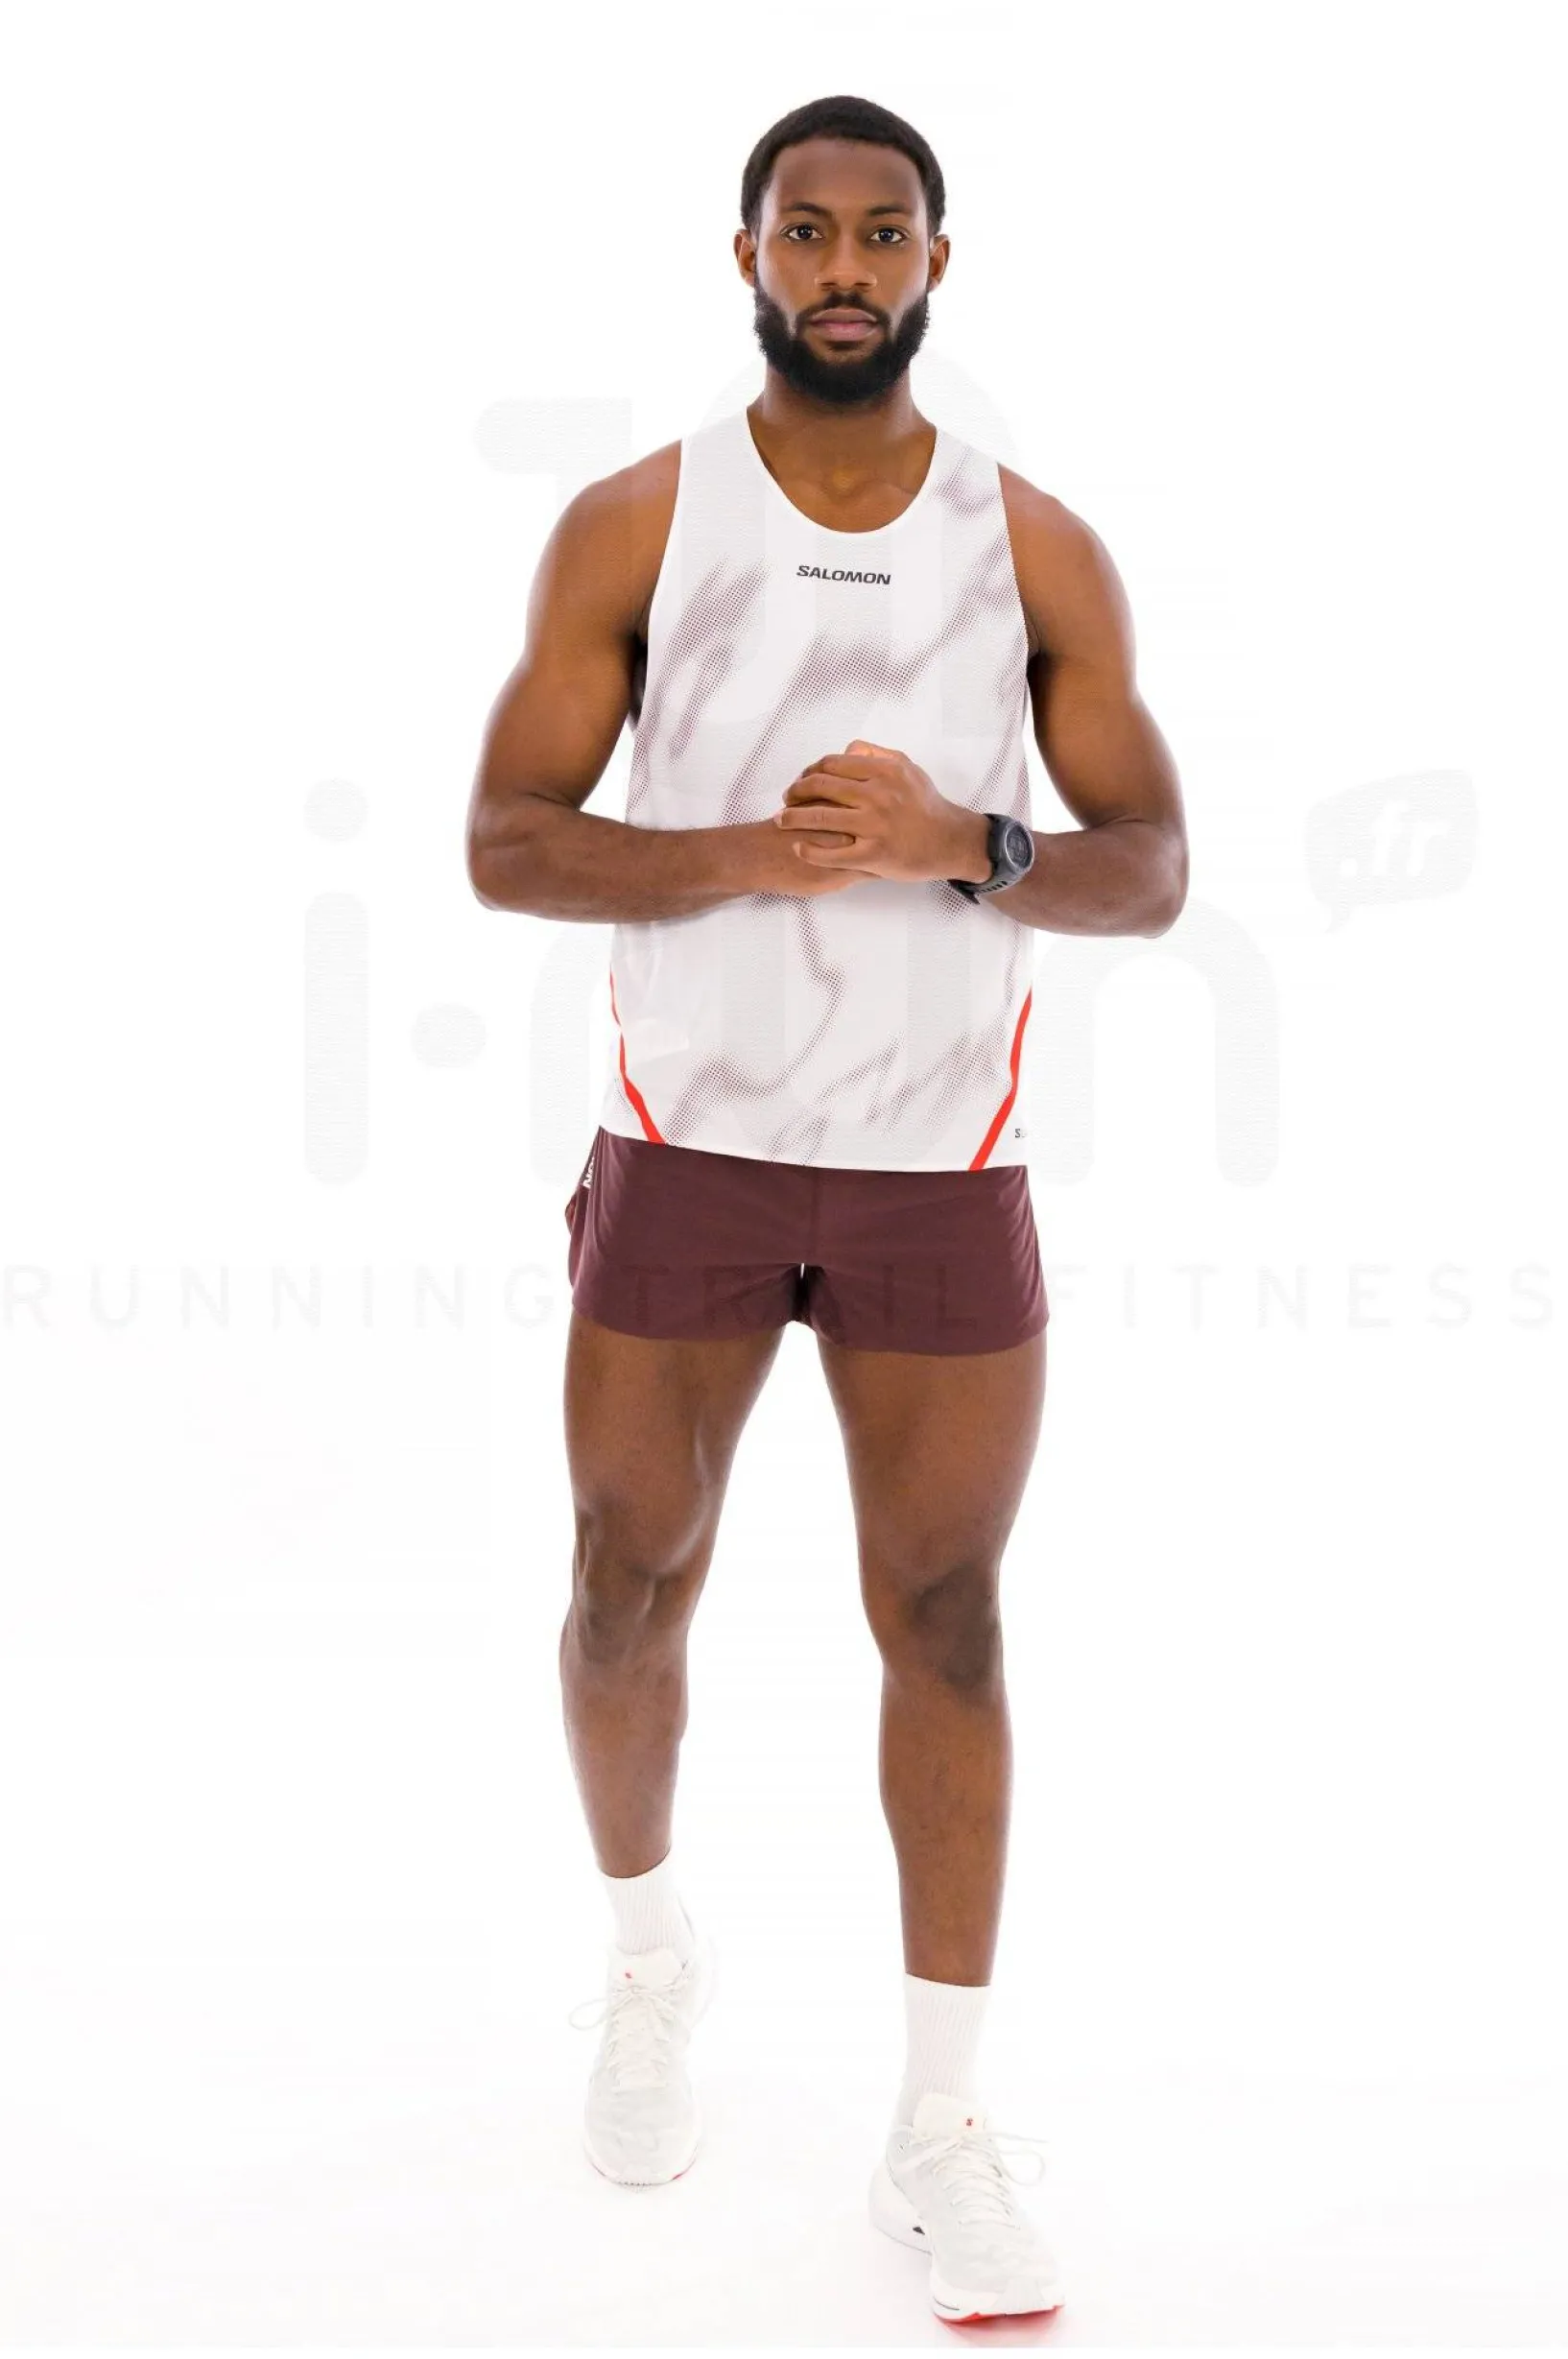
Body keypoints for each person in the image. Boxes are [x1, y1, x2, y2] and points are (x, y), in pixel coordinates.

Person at [465, 91, 1187, 2325]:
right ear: (750, 256)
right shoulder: (634, 518)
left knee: (947, 1617)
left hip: (935, 1165)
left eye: (885, 233)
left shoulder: (1035, 545)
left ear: (936, 264)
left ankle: (937, 2125)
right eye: (809, 230)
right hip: (686, 1139)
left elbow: (1151, 868)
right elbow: (505, 835)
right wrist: (743, 853)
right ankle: (646, 1961)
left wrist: (964, 842)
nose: (846, 266)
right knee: (622, 1582)